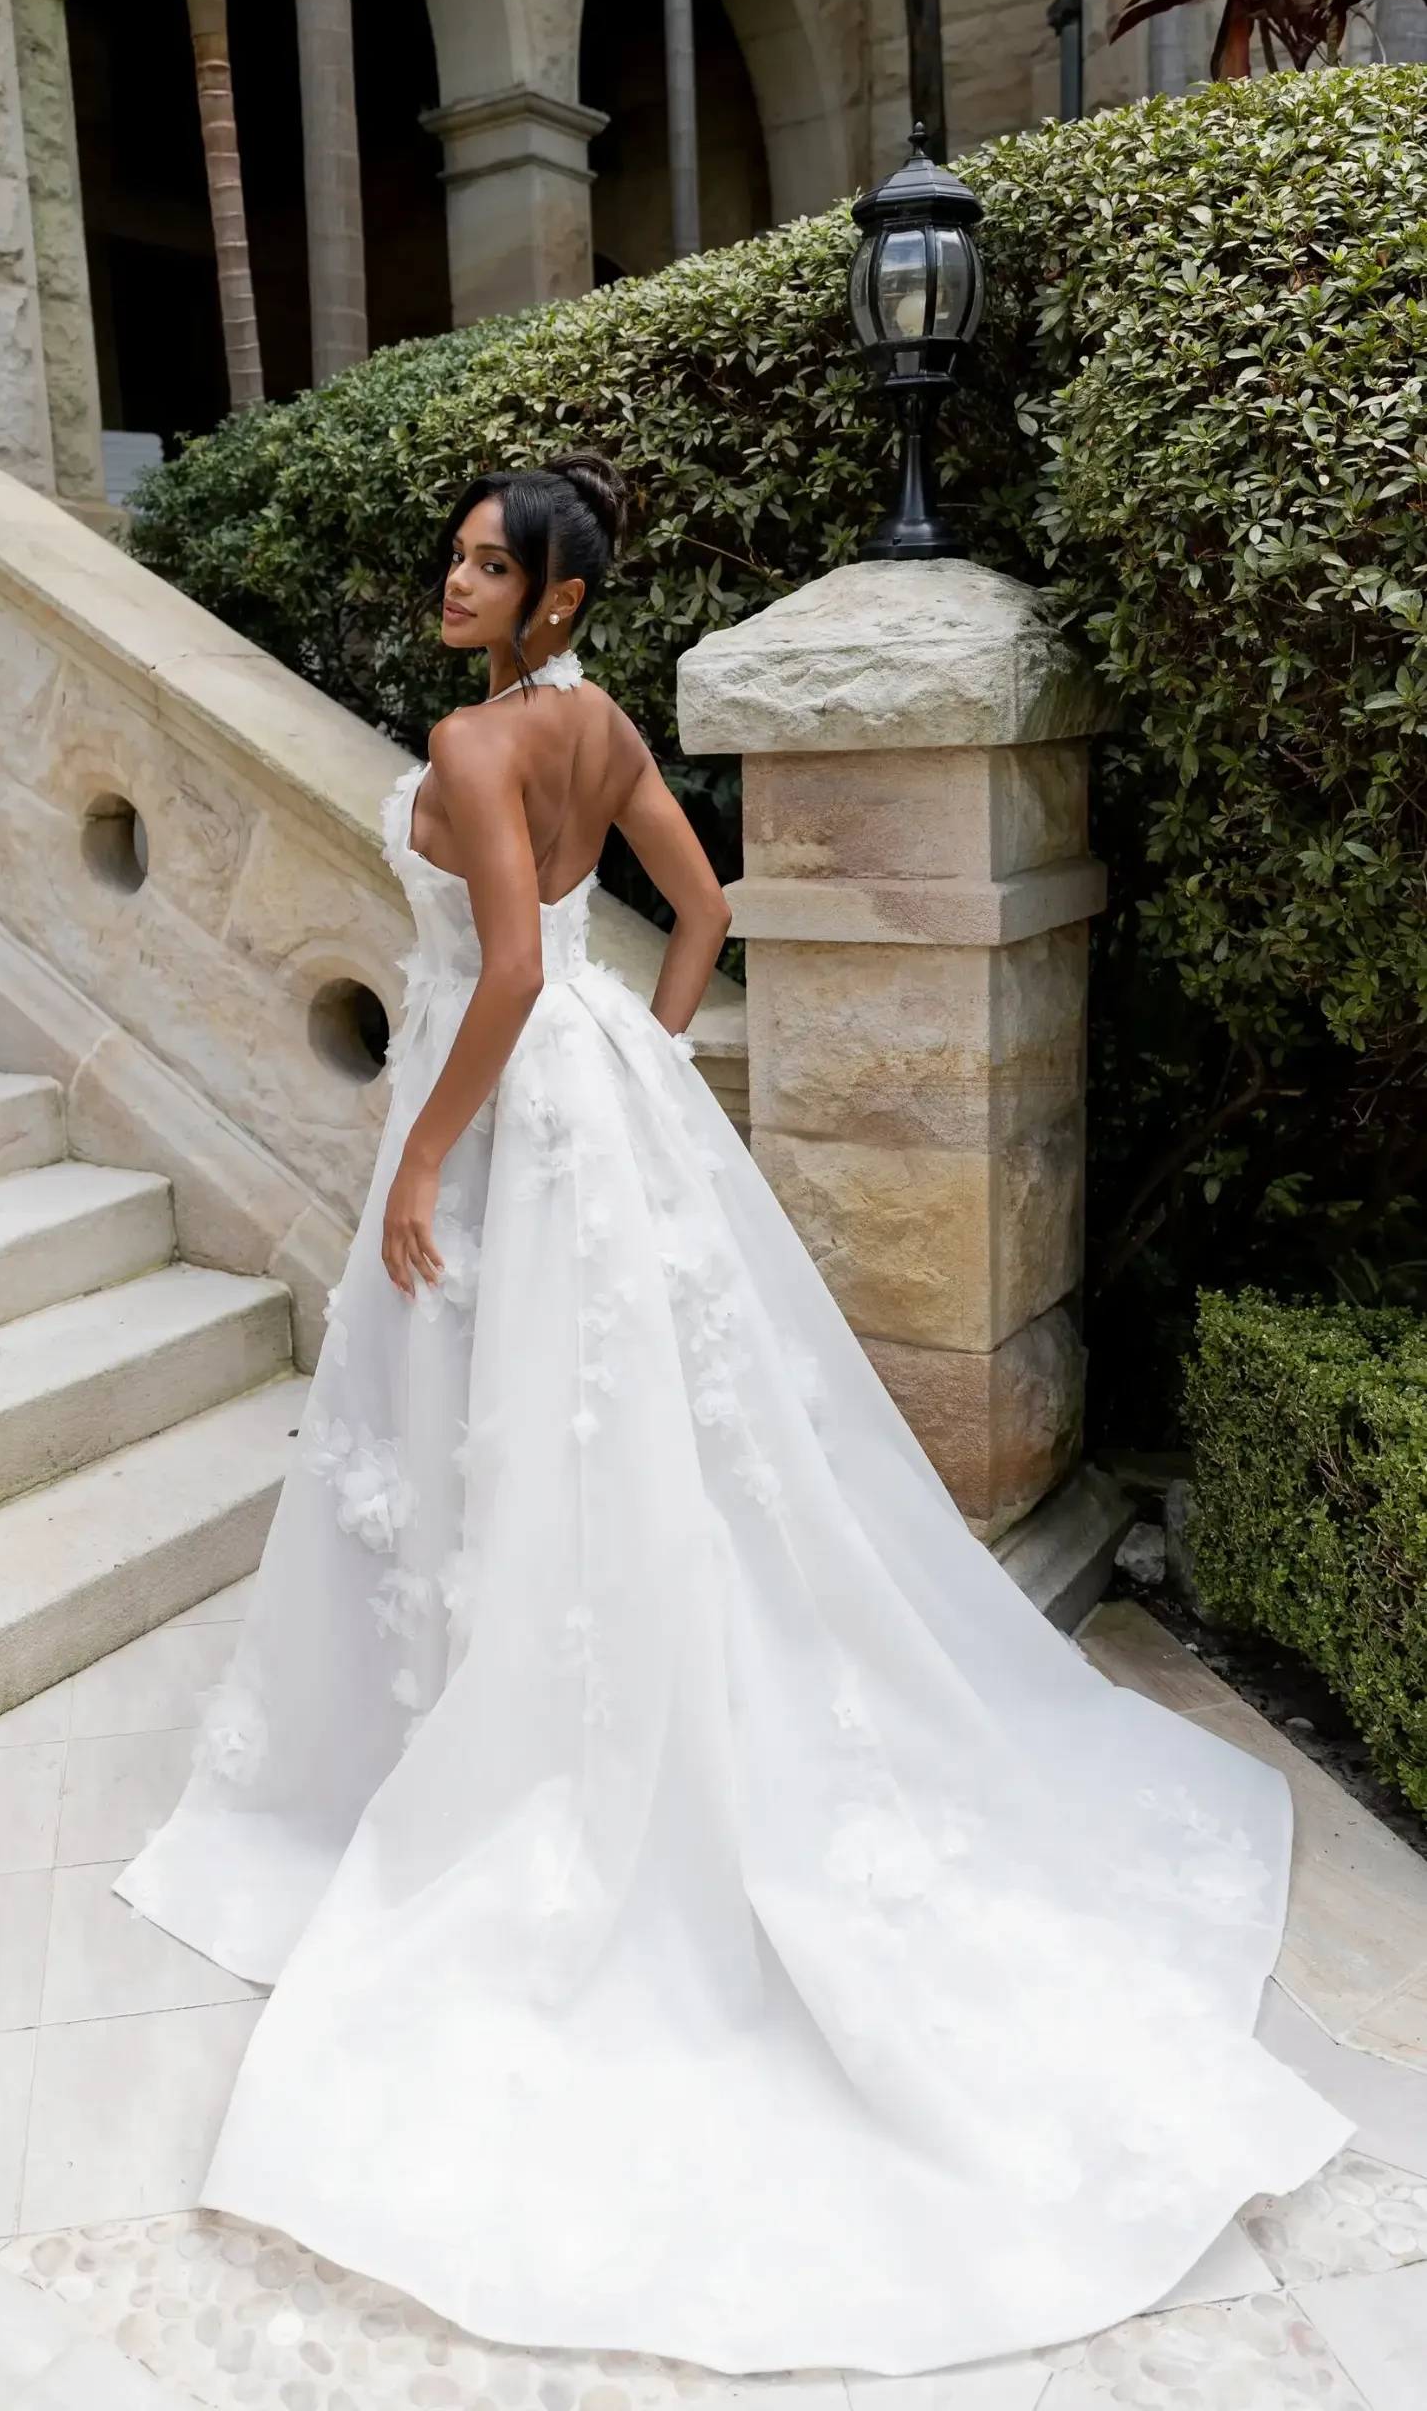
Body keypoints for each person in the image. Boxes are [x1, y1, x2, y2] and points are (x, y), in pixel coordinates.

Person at [119, 453, 1348, 2378]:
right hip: (602, 1107)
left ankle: (500, 1740)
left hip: (506, 1105)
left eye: (486, 567)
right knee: (632, 1435)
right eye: (453, 558)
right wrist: (648, 1053)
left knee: (514, 1426)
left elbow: (515, 967)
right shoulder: (600, 727)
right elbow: (690, 916)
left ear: (555, 598)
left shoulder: (471, 739)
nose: (455, 586)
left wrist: (428, 1160)